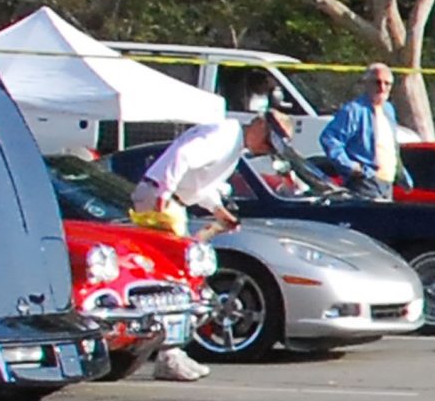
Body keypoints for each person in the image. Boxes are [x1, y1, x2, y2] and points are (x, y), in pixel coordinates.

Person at [127, 105, 295, 382]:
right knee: (176, 277)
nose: (265, 150)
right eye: (267, 142)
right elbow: (183, 156)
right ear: (259, 126)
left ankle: (170, 351)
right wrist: (163, 195)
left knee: (175, 277)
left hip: (170, 200)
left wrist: (217, 210)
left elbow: (198, 184)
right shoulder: (224, 135)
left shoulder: (232, 146)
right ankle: (169, 354)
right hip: (163, 199)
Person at [319, 64, 412, 198]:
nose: (382, 88)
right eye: (377, 82)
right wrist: (350, 166)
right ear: (366, 84)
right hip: (365, 182)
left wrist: (402, 175)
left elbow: (392, 148)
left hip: (388, 184)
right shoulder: (353, 110)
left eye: (387, 84)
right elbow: (329, 139)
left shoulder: (389, 110)